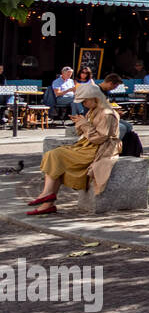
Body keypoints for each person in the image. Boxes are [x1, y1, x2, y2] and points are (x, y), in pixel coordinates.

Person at [27, 82, 121, 216]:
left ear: (95, 98)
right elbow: (86, 132)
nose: (83, 105)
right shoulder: (94, 110)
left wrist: (84, 124)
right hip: (88, 145)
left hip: (100, 149)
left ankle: (47, 196)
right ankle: (47, 201)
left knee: (56, 155)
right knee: (53, 157)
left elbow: (100, 138)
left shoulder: (107, 113)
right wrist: (80, 123)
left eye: (84, 101)